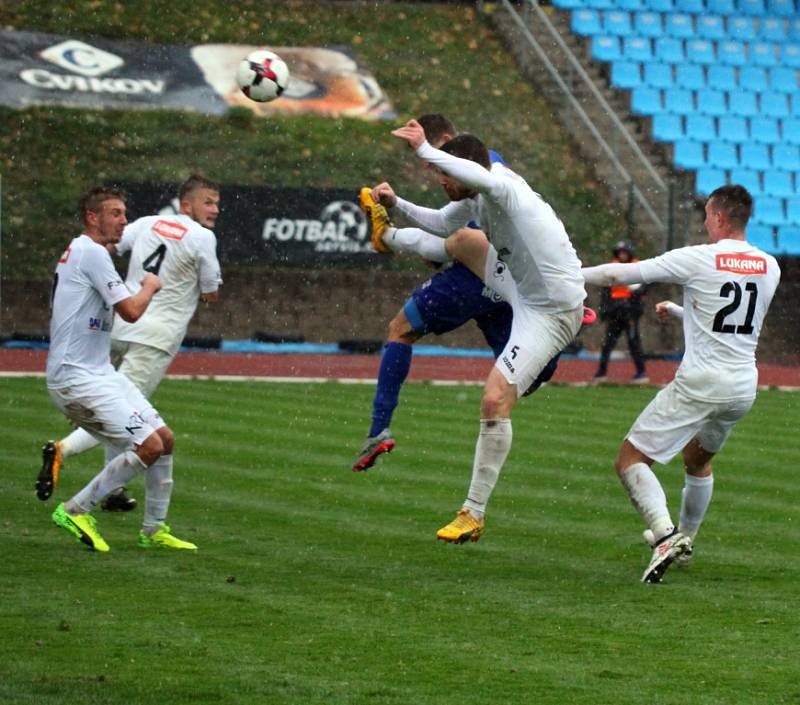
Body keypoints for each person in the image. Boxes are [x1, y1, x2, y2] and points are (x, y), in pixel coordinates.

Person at [359, 119, 586, 543]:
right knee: (462, 241)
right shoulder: (476, 196)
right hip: (521, 289)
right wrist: (397, 203)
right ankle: (385, 235)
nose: (441, 182)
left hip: (550, 311)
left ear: (462, 170)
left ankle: (473, 512)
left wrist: (425, 148)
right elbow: (443, 223)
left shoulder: (501, 186)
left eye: (444, 175)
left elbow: (476, 175)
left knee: (494, 398)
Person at [581, 185, 780, 583]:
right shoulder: (769, 266)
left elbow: (621, 274)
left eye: (708, 215)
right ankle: (685, 540)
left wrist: (569, 275)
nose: (705, 222)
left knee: (630, 461)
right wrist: (679, 309)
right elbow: (731, 321)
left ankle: (665, 534)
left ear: (720, 218)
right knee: (698, 460)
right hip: (742, 387)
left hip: (702, 383)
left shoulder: (697, 258)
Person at [37, 175, 222, 510]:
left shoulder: (149, 223)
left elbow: (114, 246)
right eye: (208, 202)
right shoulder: (203, 237)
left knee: (123, 410)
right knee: (136, 422)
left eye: (217, 203)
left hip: (118, 326)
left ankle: (115, 492)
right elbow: (211, 292)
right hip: (155, 332)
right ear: (186, 205)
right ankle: (63, 451)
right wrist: (165, 283)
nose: (215, 209)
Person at [592, 239, 649, 384]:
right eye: (620, 253)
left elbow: (645, 288)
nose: (622, 255)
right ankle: (601, 372)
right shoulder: (613, 268)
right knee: (608, 343)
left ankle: (641, 373)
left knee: (634, 343)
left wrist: (635, 297)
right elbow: (606, 293)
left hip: (630, 314)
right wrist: (605, 311)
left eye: (624, 252)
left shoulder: (637, 267)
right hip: (615, 313)